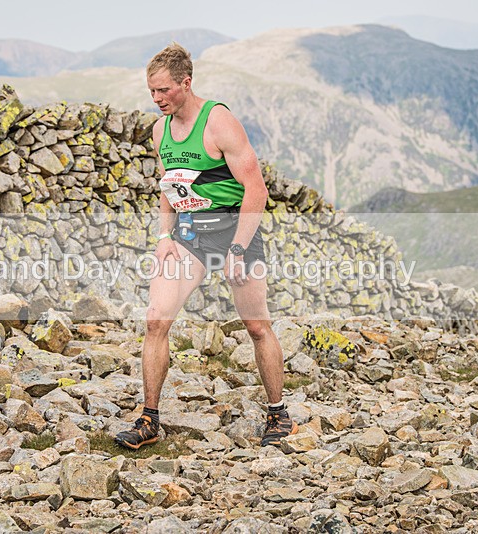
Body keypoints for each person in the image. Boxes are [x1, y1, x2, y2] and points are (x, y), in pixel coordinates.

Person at [114, 43, 298, 450]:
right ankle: (149, 419)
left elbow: (257, 189)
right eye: (151, 92)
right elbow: (170, 187)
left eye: (164, 91)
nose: (157, 99)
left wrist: (237, 249)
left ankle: (278, 413)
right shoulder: (161, 130)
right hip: (192, 236)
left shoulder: (219, 122)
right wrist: (164, 237)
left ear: (186, 82)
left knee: (256, 326)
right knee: (155, 320)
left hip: (235, 231)